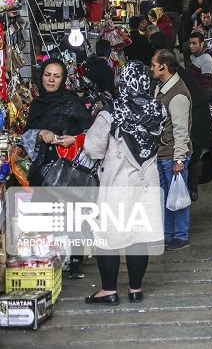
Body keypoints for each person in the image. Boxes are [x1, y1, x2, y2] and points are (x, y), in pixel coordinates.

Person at [83, 61, 166, 305]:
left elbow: (93, 147)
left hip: (118, 181)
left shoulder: (112, 111)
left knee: (107, 236)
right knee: (138, 236)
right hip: (145, 181)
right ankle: (135, 289)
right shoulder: (157, 109)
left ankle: (108, 290)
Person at [21, 58, 93, 279]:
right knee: (45, 217)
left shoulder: (72, 102)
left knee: (71, 215)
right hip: (43, 169)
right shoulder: (37, 104)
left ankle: (75, 261)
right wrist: (40, 133)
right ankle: (49, 258)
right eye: (47, 75)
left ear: (63, 79)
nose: (51, 80)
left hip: (68, 168)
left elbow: (91, 133)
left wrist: (74, 139)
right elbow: (26, 134)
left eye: (56, 76)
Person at [151, 49, 193, 251]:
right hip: (162, 153)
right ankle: (167, 234)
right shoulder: (163, 89)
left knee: (177, 196)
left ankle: (180, 234)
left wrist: (179, 159)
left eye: (153, 64)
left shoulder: (177, 94)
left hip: (172, 155)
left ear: (163, 67)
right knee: (165, 197)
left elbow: (181, 129)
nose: (151, 68)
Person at [177, 65, 212, 203]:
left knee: (194, 158)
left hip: (190, 133)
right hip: (194, 132)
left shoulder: (180, 85)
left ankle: (191, 188)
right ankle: (191, 189)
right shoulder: (186, 82)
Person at [188, 32, 212, 101]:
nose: (191, 46)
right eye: (190, 43)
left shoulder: (206, 60)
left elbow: (208, 86)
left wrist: (203, 103)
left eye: (194, 43)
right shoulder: (194, 56)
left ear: (202, 44)